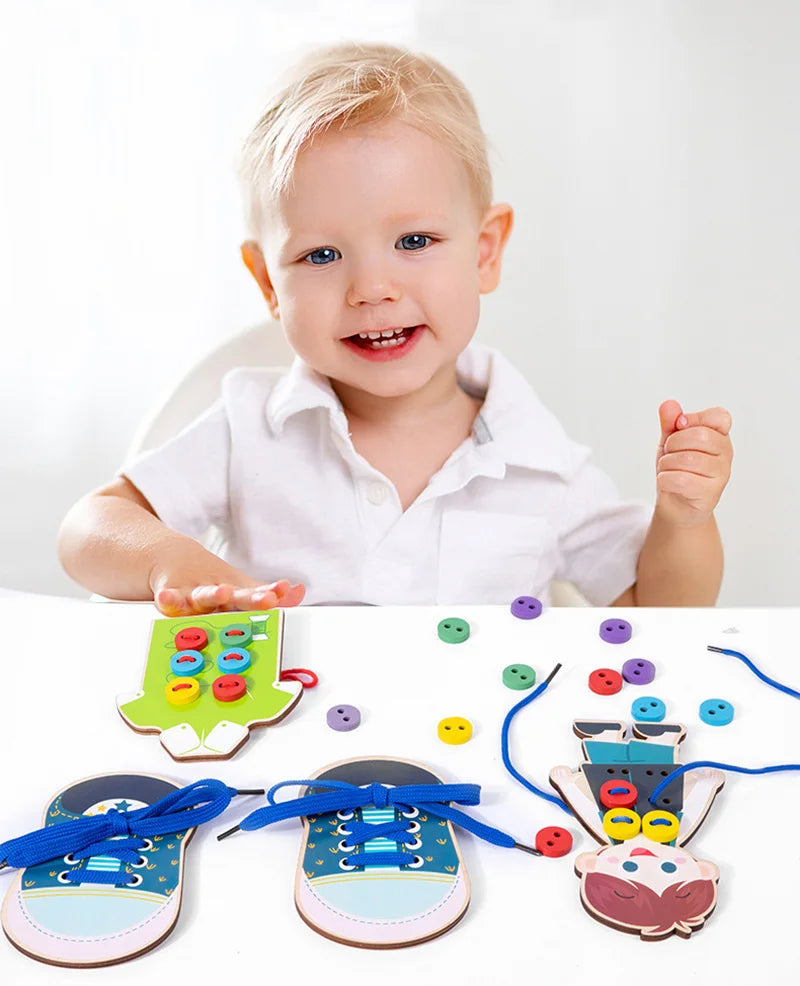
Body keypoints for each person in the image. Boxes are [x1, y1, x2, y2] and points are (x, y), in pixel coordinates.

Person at [57, 42, 733, 615]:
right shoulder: (249, 428)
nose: (372, 288)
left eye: (414, 240)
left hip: (476, 760)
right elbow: (88, 529)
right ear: (268, 282)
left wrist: (683, 518)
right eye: (321, 255)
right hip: (284, 757)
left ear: (486, 250)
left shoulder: (539, 459)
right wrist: (169, 559)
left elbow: (659, 613)